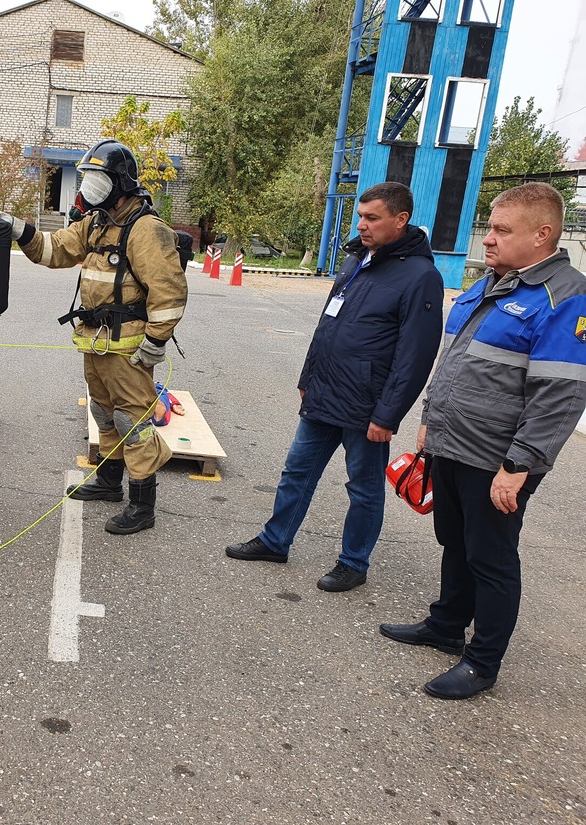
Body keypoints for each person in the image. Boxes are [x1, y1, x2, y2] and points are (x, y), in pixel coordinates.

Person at [380, 182, 586, 699]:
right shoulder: (492, 283)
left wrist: (520, 465)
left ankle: (482, 661)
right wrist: (429, 421)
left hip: (499, 459)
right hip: (452, 443)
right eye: (490, 228)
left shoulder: (565, 297)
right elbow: (453, 363)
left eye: (500, 230)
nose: (487, 240)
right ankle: (446, 625)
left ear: (542, 235)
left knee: (491, 557)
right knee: (455, 541)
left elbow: (559, 395)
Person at [225, 182, 444, 590]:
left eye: (372, 218)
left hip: (367, 408)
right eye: (360, 216)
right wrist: (308, 378)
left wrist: (388, 414)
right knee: (296, 472)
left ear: (401, 219)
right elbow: (328, 326)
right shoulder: (356, 260)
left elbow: (415, 357)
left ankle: (353, 563)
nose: (362, 225)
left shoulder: (420, 277)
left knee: (363, 489)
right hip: (324, 394)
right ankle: (276, 540)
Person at [0, 138, 188, 535]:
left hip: (129, 345)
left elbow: (170, 291)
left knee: (133, 420)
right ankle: (110, 482)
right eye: (87, 177)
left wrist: (155, 344)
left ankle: (142, 505)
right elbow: (55, 250)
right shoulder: (96, 222)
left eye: (97, 178)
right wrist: (17, 228)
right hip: (95, 339)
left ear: (119, 182)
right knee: (102, 411)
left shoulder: (146, 229)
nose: (88, 186)